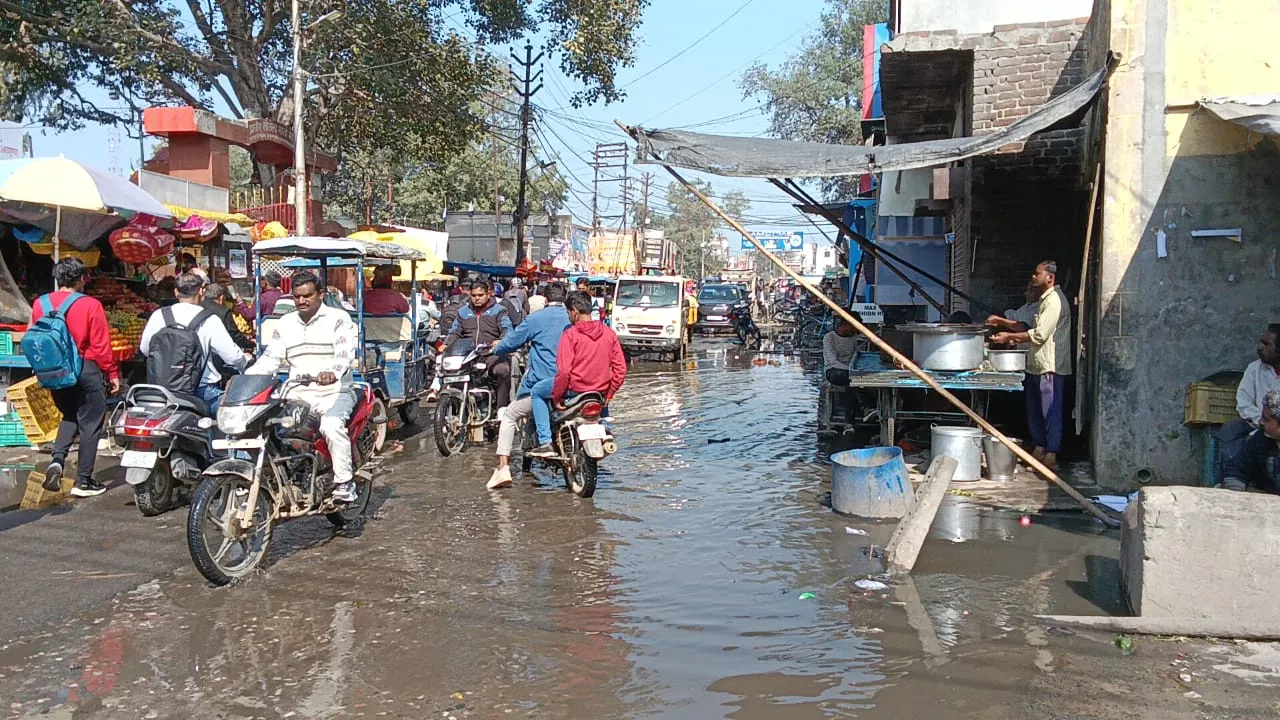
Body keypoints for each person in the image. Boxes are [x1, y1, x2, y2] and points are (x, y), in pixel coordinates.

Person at [245, 270, 361, 502]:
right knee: (268, 427)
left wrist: (333, 372)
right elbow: (270, 358)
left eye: (307, 296)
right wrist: (247, 379)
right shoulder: (286, 323)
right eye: (297, 296)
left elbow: (344, 352)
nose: (302, 301)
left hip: (334, 392)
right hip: (297, 393)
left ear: (320, 294)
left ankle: (345, 482)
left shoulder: (338, 319)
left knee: (331, 426)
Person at [34, 258, 121, 497]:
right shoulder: (90, 305)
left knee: (69, 415)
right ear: (82, 279)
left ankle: (58, 460)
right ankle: (84, 481)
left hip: (56, 371)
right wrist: (112, 373)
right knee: (91, 423)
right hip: (86, 368)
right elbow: (101, 346)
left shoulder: (40, 304)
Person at [487, 283, 572, 489]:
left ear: (544, 300)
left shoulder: (536, 319)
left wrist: (497, 347)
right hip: (575, 385)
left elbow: (511, 342)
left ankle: (503, 467)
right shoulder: (573, 319)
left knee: (509, 415)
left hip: (544, 384)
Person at [989, 260, 1072, 469]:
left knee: (1050, 410)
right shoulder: (1044, 301)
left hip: (1050, 365)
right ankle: (1040, 448)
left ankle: (1051, 453)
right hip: (1036, 364)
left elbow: (1041, 334)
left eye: (1037, 274)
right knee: (1034, 410)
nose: (1034, 277)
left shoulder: (1055, 301)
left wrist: (1010, 336)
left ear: (1049, 278)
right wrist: (1013, 337)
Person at [139, 273, 248, 414]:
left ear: (176, 292)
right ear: (201, 291)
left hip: (162, 391)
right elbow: (232, 356)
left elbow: (146, 349)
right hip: (201, 391)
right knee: (234, 420)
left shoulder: (159, 315)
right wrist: (246, 362)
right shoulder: (209, 319)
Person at [551, 291, 627, 412]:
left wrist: (557, 396)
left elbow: (564, 372)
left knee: (540, 397)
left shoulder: (570, 335)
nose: (568, 317)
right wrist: (610, 393)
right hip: (599, 395)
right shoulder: (609, 334)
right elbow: (620, 370)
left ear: (574, 312)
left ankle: (545, 431)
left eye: (568, 312)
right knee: (605, 423)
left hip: (575, 393)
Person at [444, 280, 514, 408]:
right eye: (474, 295)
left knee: (502, 371)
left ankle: (501, 409)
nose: (477, 298)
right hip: (468, 355)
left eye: (480, 295)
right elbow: (454, 332)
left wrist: (500, 341)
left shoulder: (499, 311)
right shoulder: (462, 312)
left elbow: (507, 329)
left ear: (488, 294)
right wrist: (446, 344)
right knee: (448, 373)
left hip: (492, 354)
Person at [1219, 324, 1280, 467]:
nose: (1260, 347)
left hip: (1277, 426)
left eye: (1266, 344)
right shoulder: (1254, 369)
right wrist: (1261, 421)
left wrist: (1273, 426)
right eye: (1261, 342)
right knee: (1231, 429)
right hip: (1255, 423)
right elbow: (1243, 401)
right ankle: (1233, 478)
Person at [1222, 389, 1280, 494]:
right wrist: (1235, 495)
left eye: (1266, 419)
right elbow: (1237, 468)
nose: (1261, 422)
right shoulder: (1262, 438)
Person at [822, 315, 862, 426]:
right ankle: (857, 413)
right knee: (850, 379)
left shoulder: (854, 338)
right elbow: (833, 361)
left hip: (849, 371)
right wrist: (852, 371)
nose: (854, 330)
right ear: (844, 325)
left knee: (852, 382)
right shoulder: (829, 338)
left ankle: (850, 421)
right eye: (852, 326)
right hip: (833, 371)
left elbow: (855, 355)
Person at [202, 282, 257, 353]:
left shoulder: (198, 307)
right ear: (221, 298)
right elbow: (234, 335)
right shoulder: (224, 312)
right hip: (218, 352)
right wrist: (250, 344)